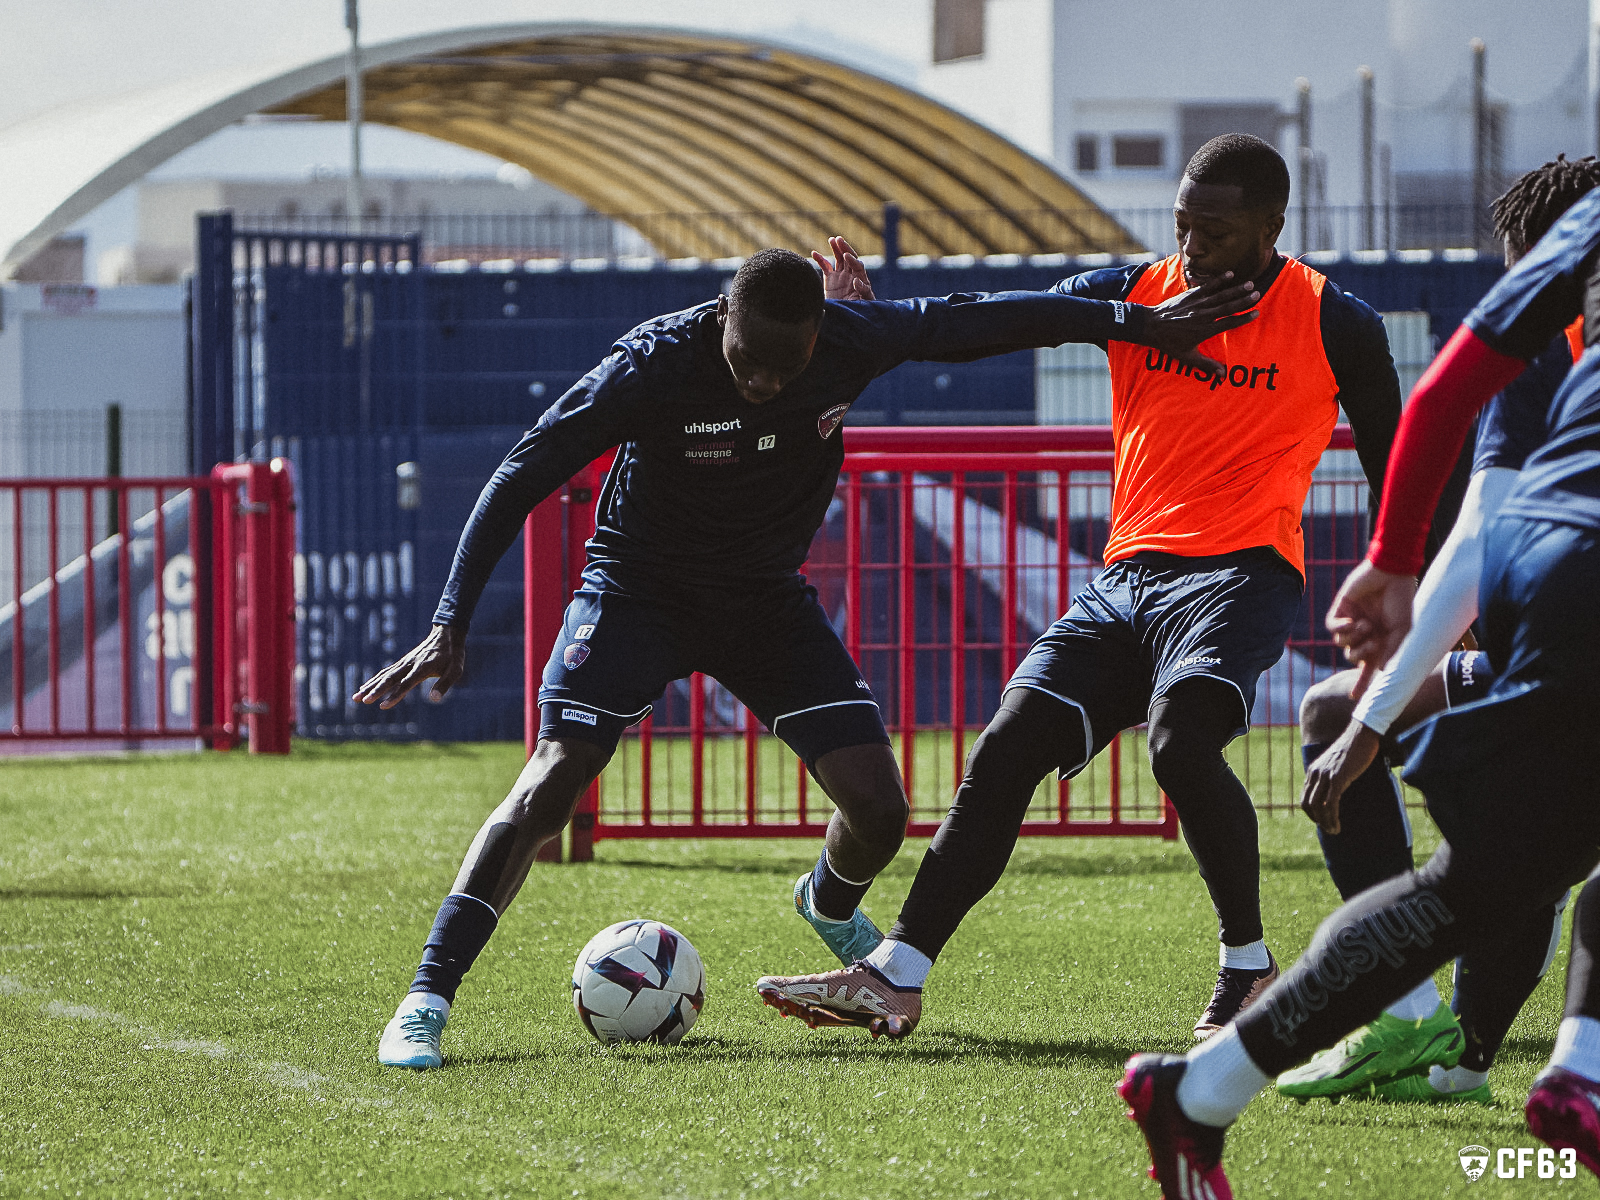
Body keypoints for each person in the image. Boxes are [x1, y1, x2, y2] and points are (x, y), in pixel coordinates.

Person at [357, 240, 1260, 1069]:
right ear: (723, 320)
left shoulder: (849, 337)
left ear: (821, 333)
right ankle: (426, 1000)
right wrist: (449, 622)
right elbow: (523, 467)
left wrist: (1131, 320)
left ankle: (825, 904)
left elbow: (980, 319)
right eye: (746, 362)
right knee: (550, 782)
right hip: (637, 595)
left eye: (782, 369)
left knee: (880, 809)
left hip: (762, 607)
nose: (760, 383)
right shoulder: (655, 361)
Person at [755, 133, 1411, 1041]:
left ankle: (1249, 969)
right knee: (1006, 747)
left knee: (1181, 746)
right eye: (1183, 225)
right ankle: (895, 975)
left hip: (1240, 575)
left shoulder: (1337, 320)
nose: (1192, 249)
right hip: (1125, 581)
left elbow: (1400, 467)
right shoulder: (1135, 295)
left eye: (1216, 234)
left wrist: (1412, 583)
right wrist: (861, 321)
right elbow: (985, 317)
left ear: (1272, 228)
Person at [1119, 179, 1600, 1198]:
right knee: (1495, 873)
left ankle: (1199, 1090)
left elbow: (1439, 404)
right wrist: (1379, 695)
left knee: (1481, 886)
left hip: (1554, 574)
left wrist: (1386, 569)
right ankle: (1565, 1067)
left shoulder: (1570, 269)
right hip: (1561, 590)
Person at [1278, 157, 1600, 1108]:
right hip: (1549, 634)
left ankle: (1430, 1032)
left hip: (1562, 637)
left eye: (1517, 270)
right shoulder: (1554, 339)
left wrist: (1374, 719)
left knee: (1520, 822)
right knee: (1354, 719)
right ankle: (1442, 1040)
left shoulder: (1543, 330)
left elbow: (1474, 539)